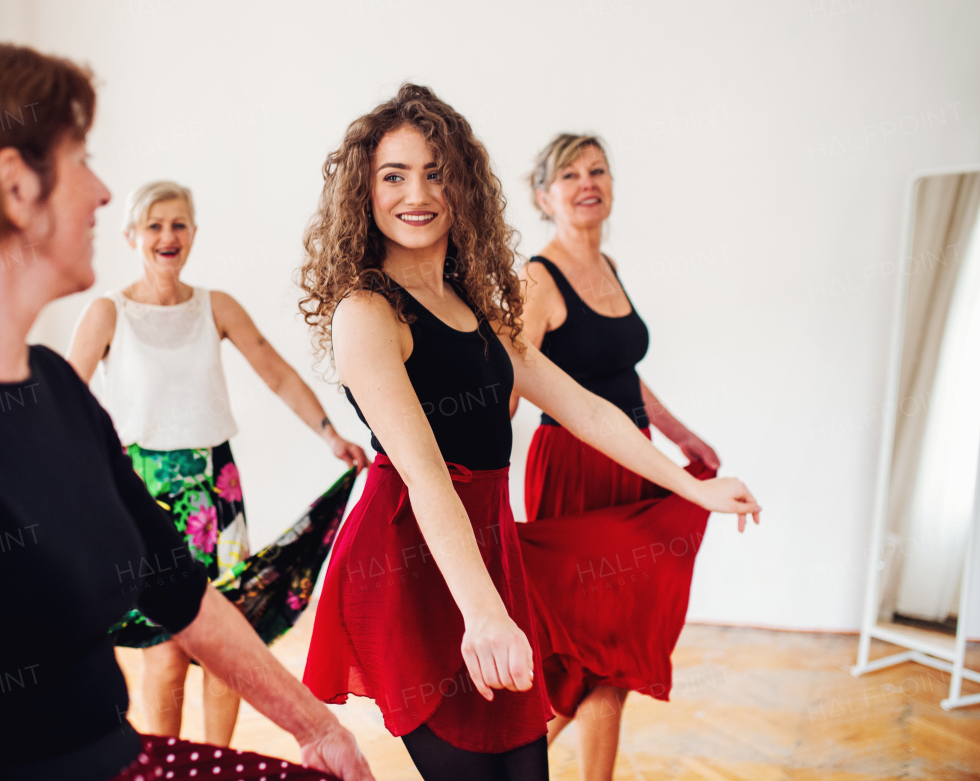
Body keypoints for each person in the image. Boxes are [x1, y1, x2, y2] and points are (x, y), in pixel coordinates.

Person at [0, 30, 373, 781]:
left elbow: (181, 591)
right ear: (17, 186)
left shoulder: (51, 386)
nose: (104, 192)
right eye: (81, 158)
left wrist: (320, 731)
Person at [297, 85, 760, 781]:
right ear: (364, 191)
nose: (416, 193)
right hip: (409, 564)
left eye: (435, 171)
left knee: (524, 770)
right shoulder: (366, 312)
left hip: (487, 548)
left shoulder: (475, 303)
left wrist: (694, 490)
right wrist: (483, 614)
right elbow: (425, 475)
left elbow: (586, 407)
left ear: (465, 187)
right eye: (393, 175)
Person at [67, 180, 369, 746]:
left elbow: (274, 370)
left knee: (229, 636)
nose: (167, 236)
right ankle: (170, 765)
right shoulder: (107, 313)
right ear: (132, 236)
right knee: (166, 649)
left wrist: (330, 435)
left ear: (194, 234)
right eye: (154, 225)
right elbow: (63, 400)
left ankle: (216, 762)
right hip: (142, 493)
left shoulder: (217, 306)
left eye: (179, 224)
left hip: (216, 490)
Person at [513, 133, 754, 780]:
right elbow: (514, 378)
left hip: (633, 461)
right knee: (596, 652)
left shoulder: (608, 266)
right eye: (569, 174)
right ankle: (511, 765)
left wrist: (681, 435)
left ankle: (510, 767)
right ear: (543, 196)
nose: (587, 182)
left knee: (606, 651)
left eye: (597, 170)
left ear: (612, 185)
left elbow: (622, 369)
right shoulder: (538, 278)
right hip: (575, 465)